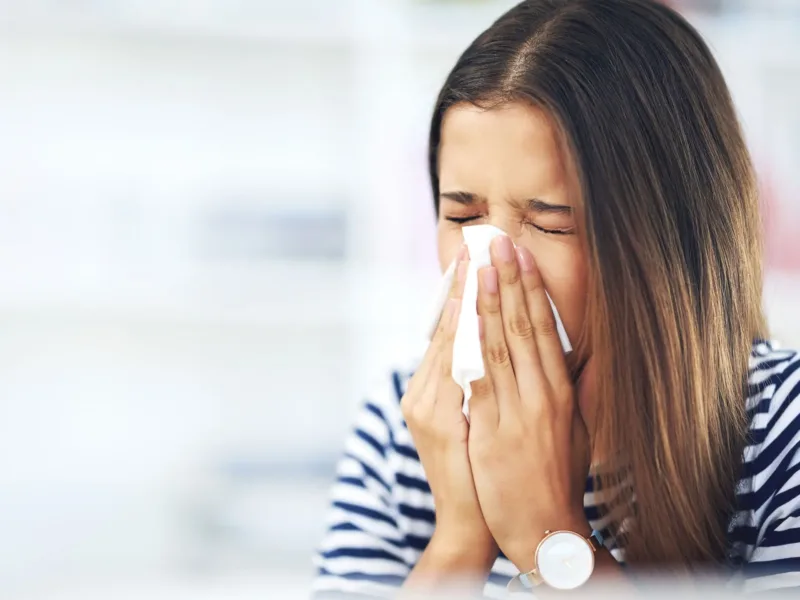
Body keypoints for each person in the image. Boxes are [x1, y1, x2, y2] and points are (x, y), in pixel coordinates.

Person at [312, 0, 800, 597]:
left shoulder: (783, 429)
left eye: (551, 223)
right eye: (462, 214)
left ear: (669, 234)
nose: (491, 261)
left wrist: (550, 534)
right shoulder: (403, 427)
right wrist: (461, 539)